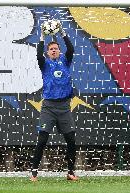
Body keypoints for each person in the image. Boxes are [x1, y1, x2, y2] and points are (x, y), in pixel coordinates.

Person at [30, 22, 77, 182]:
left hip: (64, 107)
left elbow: (71, 49)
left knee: (71, 139)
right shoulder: (44, 64)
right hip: (49, 107)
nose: (54, 50)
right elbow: (38, 55)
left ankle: (71, 172)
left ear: (59, 50)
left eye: (56, 48)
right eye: (51, 49)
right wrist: (42, 36)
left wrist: (63, 32)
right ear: (48, 52)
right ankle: (34, 173)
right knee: (42, 139)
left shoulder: (65, 60)